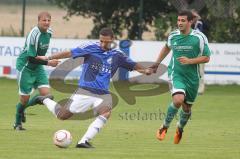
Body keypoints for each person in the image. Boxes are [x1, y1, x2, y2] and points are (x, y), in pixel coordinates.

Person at [35, 27, 153, 148]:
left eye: (106, 42)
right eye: (101, 41)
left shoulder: (118, 55)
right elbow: (69, 52)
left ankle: (83, 141)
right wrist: (48, 58)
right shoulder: (90, 47)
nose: (103, 44)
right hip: (85, 90)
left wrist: (145, 70)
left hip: (103, 92)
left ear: (113, 39)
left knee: (106, 112)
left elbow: (133, 65)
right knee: (62, 115)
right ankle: (44, 99)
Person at [150, 10, 211, 144]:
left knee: (187, 108)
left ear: (190, 22)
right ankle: (164, 126)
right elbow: (166, 47)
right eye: (178, 20)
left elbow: (206, 58)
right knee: (178, 100)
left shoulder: (199, 38)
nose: (179, 23)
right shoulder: (173, 36)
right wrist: (156, 64)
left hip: (193, 78)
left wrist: (190, 61)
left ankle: (180, 128)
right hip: (176, 74)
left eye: (183, 21)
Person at [14, 12, 58, 130]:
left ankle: (23, 109)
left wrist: (44, 58)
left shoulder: (49, 32)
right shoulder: (33, 34)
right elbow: (30, 58)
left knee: (47, 96)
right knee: (24, 100)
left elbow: (38, 56)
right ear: (38, 21)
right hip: (26, 67)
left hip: (37, 67)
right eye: (44, 20)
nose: (47, 23)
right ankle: (17, 123)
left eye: (48, 20)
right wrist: (48, 62)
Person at [191, 10, 208, 94]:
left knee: (200, 71)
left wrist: (199, 19)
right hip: (193, 51)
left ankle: (200, 90)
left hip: (201, 51)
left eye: (194, 16)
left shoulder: (200, 23)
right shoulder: (190, 24)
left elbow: (202, 31)